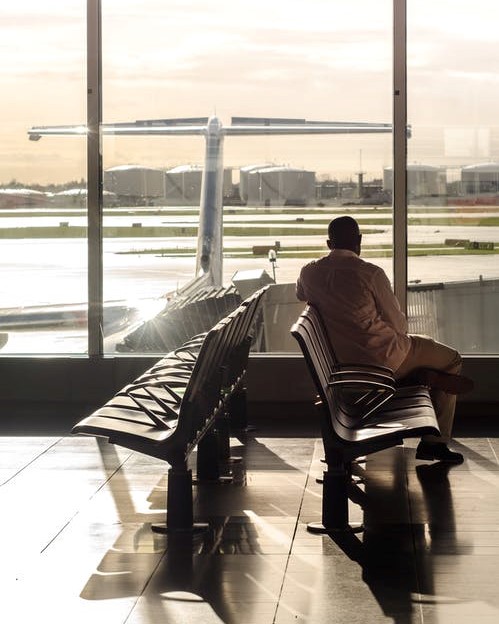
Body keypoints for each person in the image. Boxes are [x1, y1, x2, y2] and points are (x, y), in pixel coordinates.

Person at [296, 215, 473, 464]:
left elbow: (300, 294)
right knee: (452, 359)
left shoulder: (309, 272)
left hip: (341, 367)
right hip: (386, 358)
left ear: (328, 243)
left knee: (419, 353)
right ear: (359, 241)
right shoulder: (370, 273)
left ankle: (419, 377)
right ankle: (435, 441)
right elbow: (398, 325)